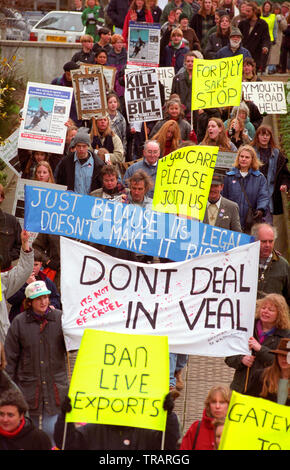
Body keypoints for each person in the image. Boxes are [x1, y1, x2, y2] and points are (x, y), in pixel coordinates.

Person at [4, 280, 69, 445]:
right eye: (38, 298)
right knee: (29, 438)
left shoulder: (61, 319)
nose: (43, 301)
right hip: (27, 391)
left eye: (46, 297)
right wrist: (7, 391)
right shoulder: (18, 323)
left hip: (56, 390)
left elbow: (74, 349)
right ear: (29, 301)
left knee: (53, 435)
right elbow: (9, 360)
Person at [54, 392, 180, 450]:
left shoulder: (145, 432)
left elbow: (168, 444)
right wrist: (65, 417)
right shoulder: (93, 431)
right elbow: (65, 443)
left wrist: (168, 416)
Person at [225, 293, 290, 394]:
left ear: (280, 314)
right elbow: (228, 358)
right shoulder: (246, 329)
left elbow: (284, 363)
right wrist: (241, 359)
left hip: (266, 391)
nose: (265, 311)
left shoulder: (286, 336)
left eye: (271, 310)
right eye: (263, 307)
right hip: (240, 389)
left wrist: (260, 349)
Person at [222, 145, 269, 233]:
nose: (243, 159)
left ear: (252, 159)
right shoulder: (229, 177)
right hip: (231, 220)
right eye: (241, 156)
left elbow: (263, 196)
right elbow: (223, 197)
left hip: (250, 221)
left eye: (247, 157)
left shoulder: (259, 178)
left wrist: (261, 209)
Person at [251, 124, 290, 224]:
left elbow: (285, 174)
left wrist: (284, 185)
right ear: (257, 136)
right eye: (262, 135)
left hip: (269, 194)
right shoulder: (251, 151)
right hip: (252, 193)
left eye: (267, 135)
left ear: (270, 137)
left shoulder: (277, 154)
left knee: (267, 225)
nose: (264, 137)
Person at [8, 250, 60, 323]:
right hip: (20, 321)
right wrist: (26, 284)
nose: (32, 268)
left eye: (36, 265)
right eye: (30, 265)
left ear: (41, 265)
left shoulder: (45, 280)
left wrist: (53, 305)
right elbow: (11, 299)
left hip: (42, 321)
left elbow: (55, 297)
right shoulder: (17, 279)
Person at [180, 385, 231, 450]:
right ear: (208, 404)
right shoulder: (196, 428)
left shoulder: (236, 429)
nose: (217, 406)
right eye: (213, 402)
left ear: (229, 404)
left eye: (222, 402)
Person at [56, 128, 104, 194]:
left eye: (84, 146)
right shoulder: (66, 162)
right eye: (78, 146)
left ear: (88, 146)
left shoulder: (98, 164)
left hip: (90, 200)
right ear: (75, 146)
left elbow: (101, 185)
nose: (81, 149)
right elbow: (59, 181)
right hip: (71, 200)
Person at [251, 223, 290, 305]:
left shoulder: (283, 265)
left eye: (271, 241)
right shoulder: (245, 263)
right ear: (255, 240)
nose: (268, 245)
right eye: (264, 241)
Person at [246, 337, 290, 406]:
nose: (284, 359)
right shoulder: (260, 376)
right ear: (277, 356)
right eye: (281, 355)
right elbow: (248, 400)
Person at [238, 1, 271, 71]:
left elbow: (266, 38)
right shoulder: (242, 24)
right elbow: (238, 37)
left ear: (254, 11)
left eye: (248, 11)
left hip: (256, 56)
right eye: (246, 11)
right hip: (243, 55)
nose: (246, 13)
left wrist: (265, 47)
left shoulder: (263, 24)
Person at [0, 184, 22, 272]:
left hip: (4, 273)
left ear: (1, 198)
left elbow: (20, 247)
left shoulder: (12, 221)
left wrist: (6, 256)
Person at [51, 61, 80, 126]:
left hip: (76, 120)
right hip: (59, 118)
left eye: (72, 74)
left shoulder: (81, 83)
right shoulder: (57, 82)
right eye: (68, 74)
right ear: (65, 72)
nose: (70, 77)